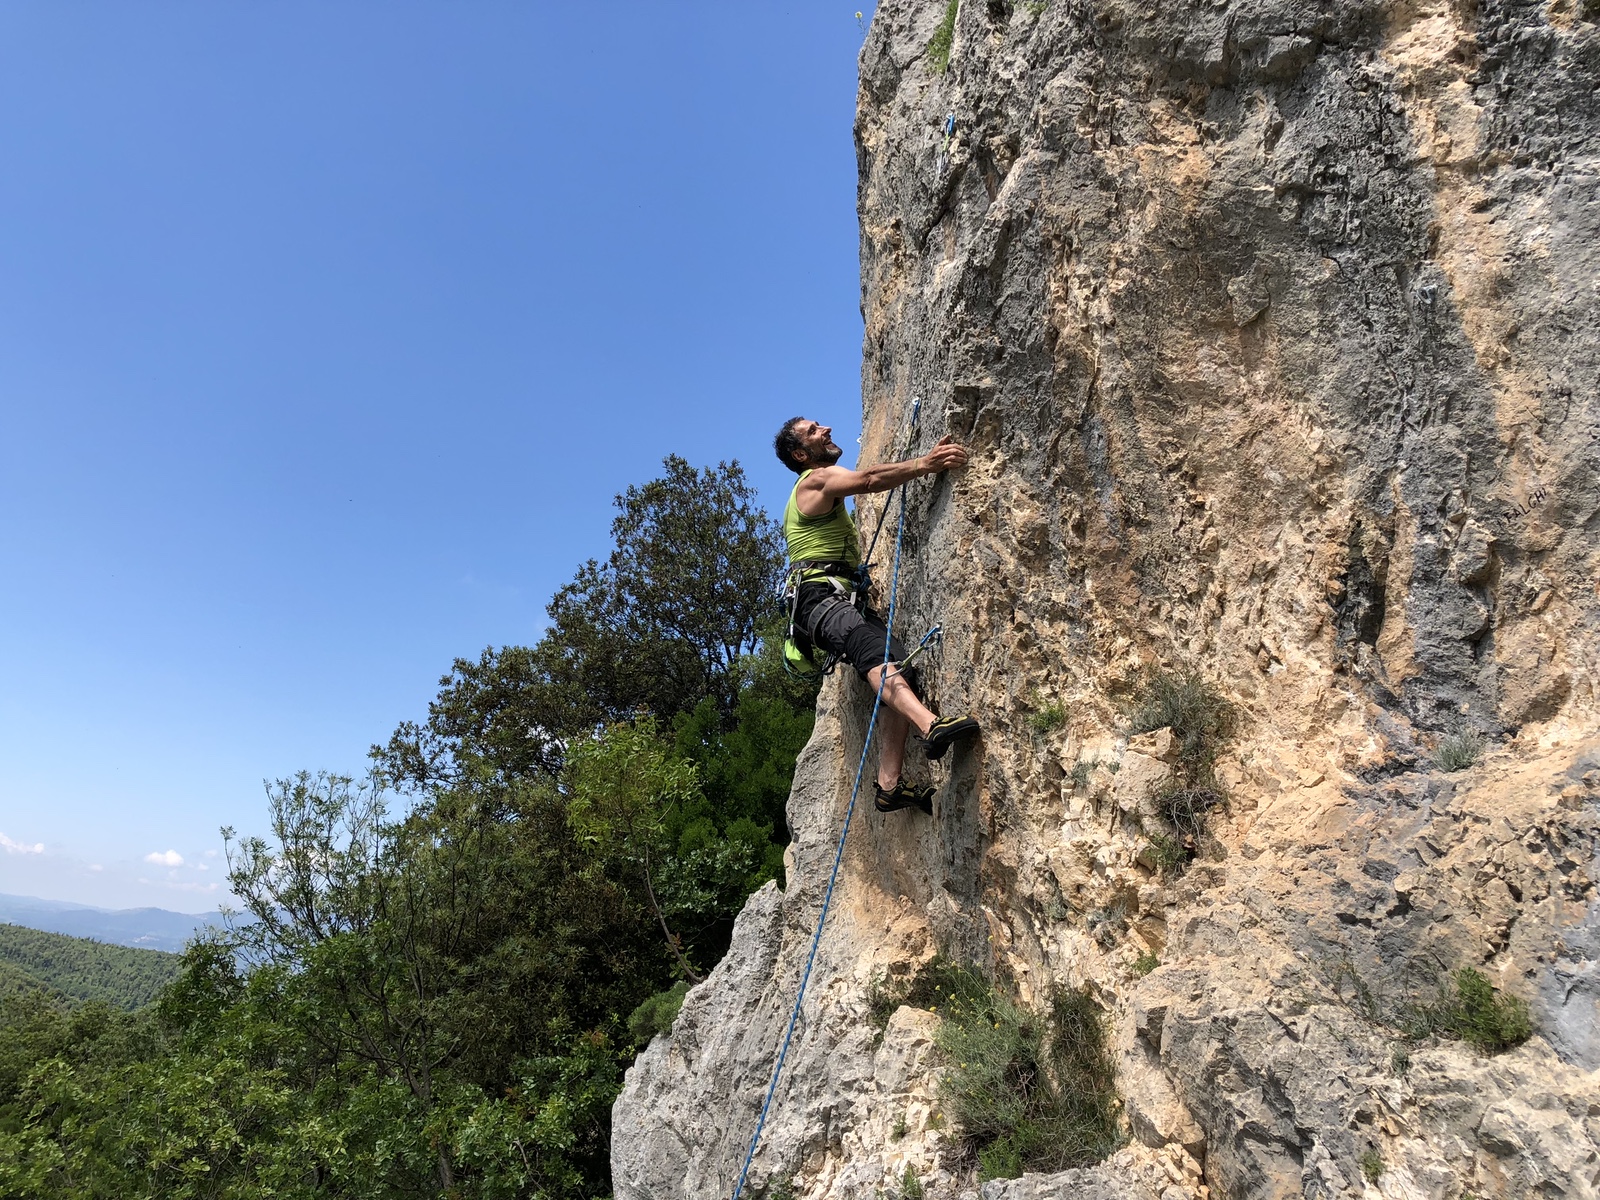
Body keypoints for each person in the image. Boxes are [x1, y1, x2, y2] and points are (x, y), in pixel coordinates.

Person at [773, 415, 981, 814]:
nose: (826, 429)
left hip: (831, 598)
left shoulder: (816, 490)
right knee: (873, 650)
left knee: (900, 664)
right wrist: (925, 463)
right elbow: (868, 481)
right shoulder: (813, 481)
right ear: (802, 453)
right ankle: (930, 726)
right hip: (817, 600)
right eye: (814, 431)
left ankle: (889, 785)